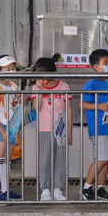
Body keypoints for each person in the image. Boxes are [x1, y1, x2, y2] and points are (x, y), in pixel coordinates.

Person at [31, 57, 73, 201]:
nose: (41, 78)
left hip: (60, 129)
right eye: (38, 75)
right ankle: (45, 189)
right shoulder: (36, 88)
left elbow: (68, 109)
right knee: (44, 159)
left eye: (43, 75)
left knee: (60, 159)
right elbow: (37, 107)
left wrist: (69, 130)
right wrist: (41, 90)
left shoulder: (64, 86)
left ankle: (57, 188)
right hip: (44, 128)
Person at [81, 49, 108, 201]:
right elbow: (82, 104)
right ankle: (87, 187)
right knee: (101, 158)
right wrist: (99, 105)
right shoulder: (91, 83)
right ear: (96, 67)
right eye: (105, 63)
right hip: (98, 126)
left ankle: (100, 188)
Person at [0, 55, 22, 203]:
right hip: (1, 125)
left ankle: (5, 189)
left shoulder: (14, 85)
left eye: (13, 68)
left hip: (12, 125)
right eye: (7, 69)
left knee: (7, 161)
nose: (11, 71)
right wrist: (1, 131)